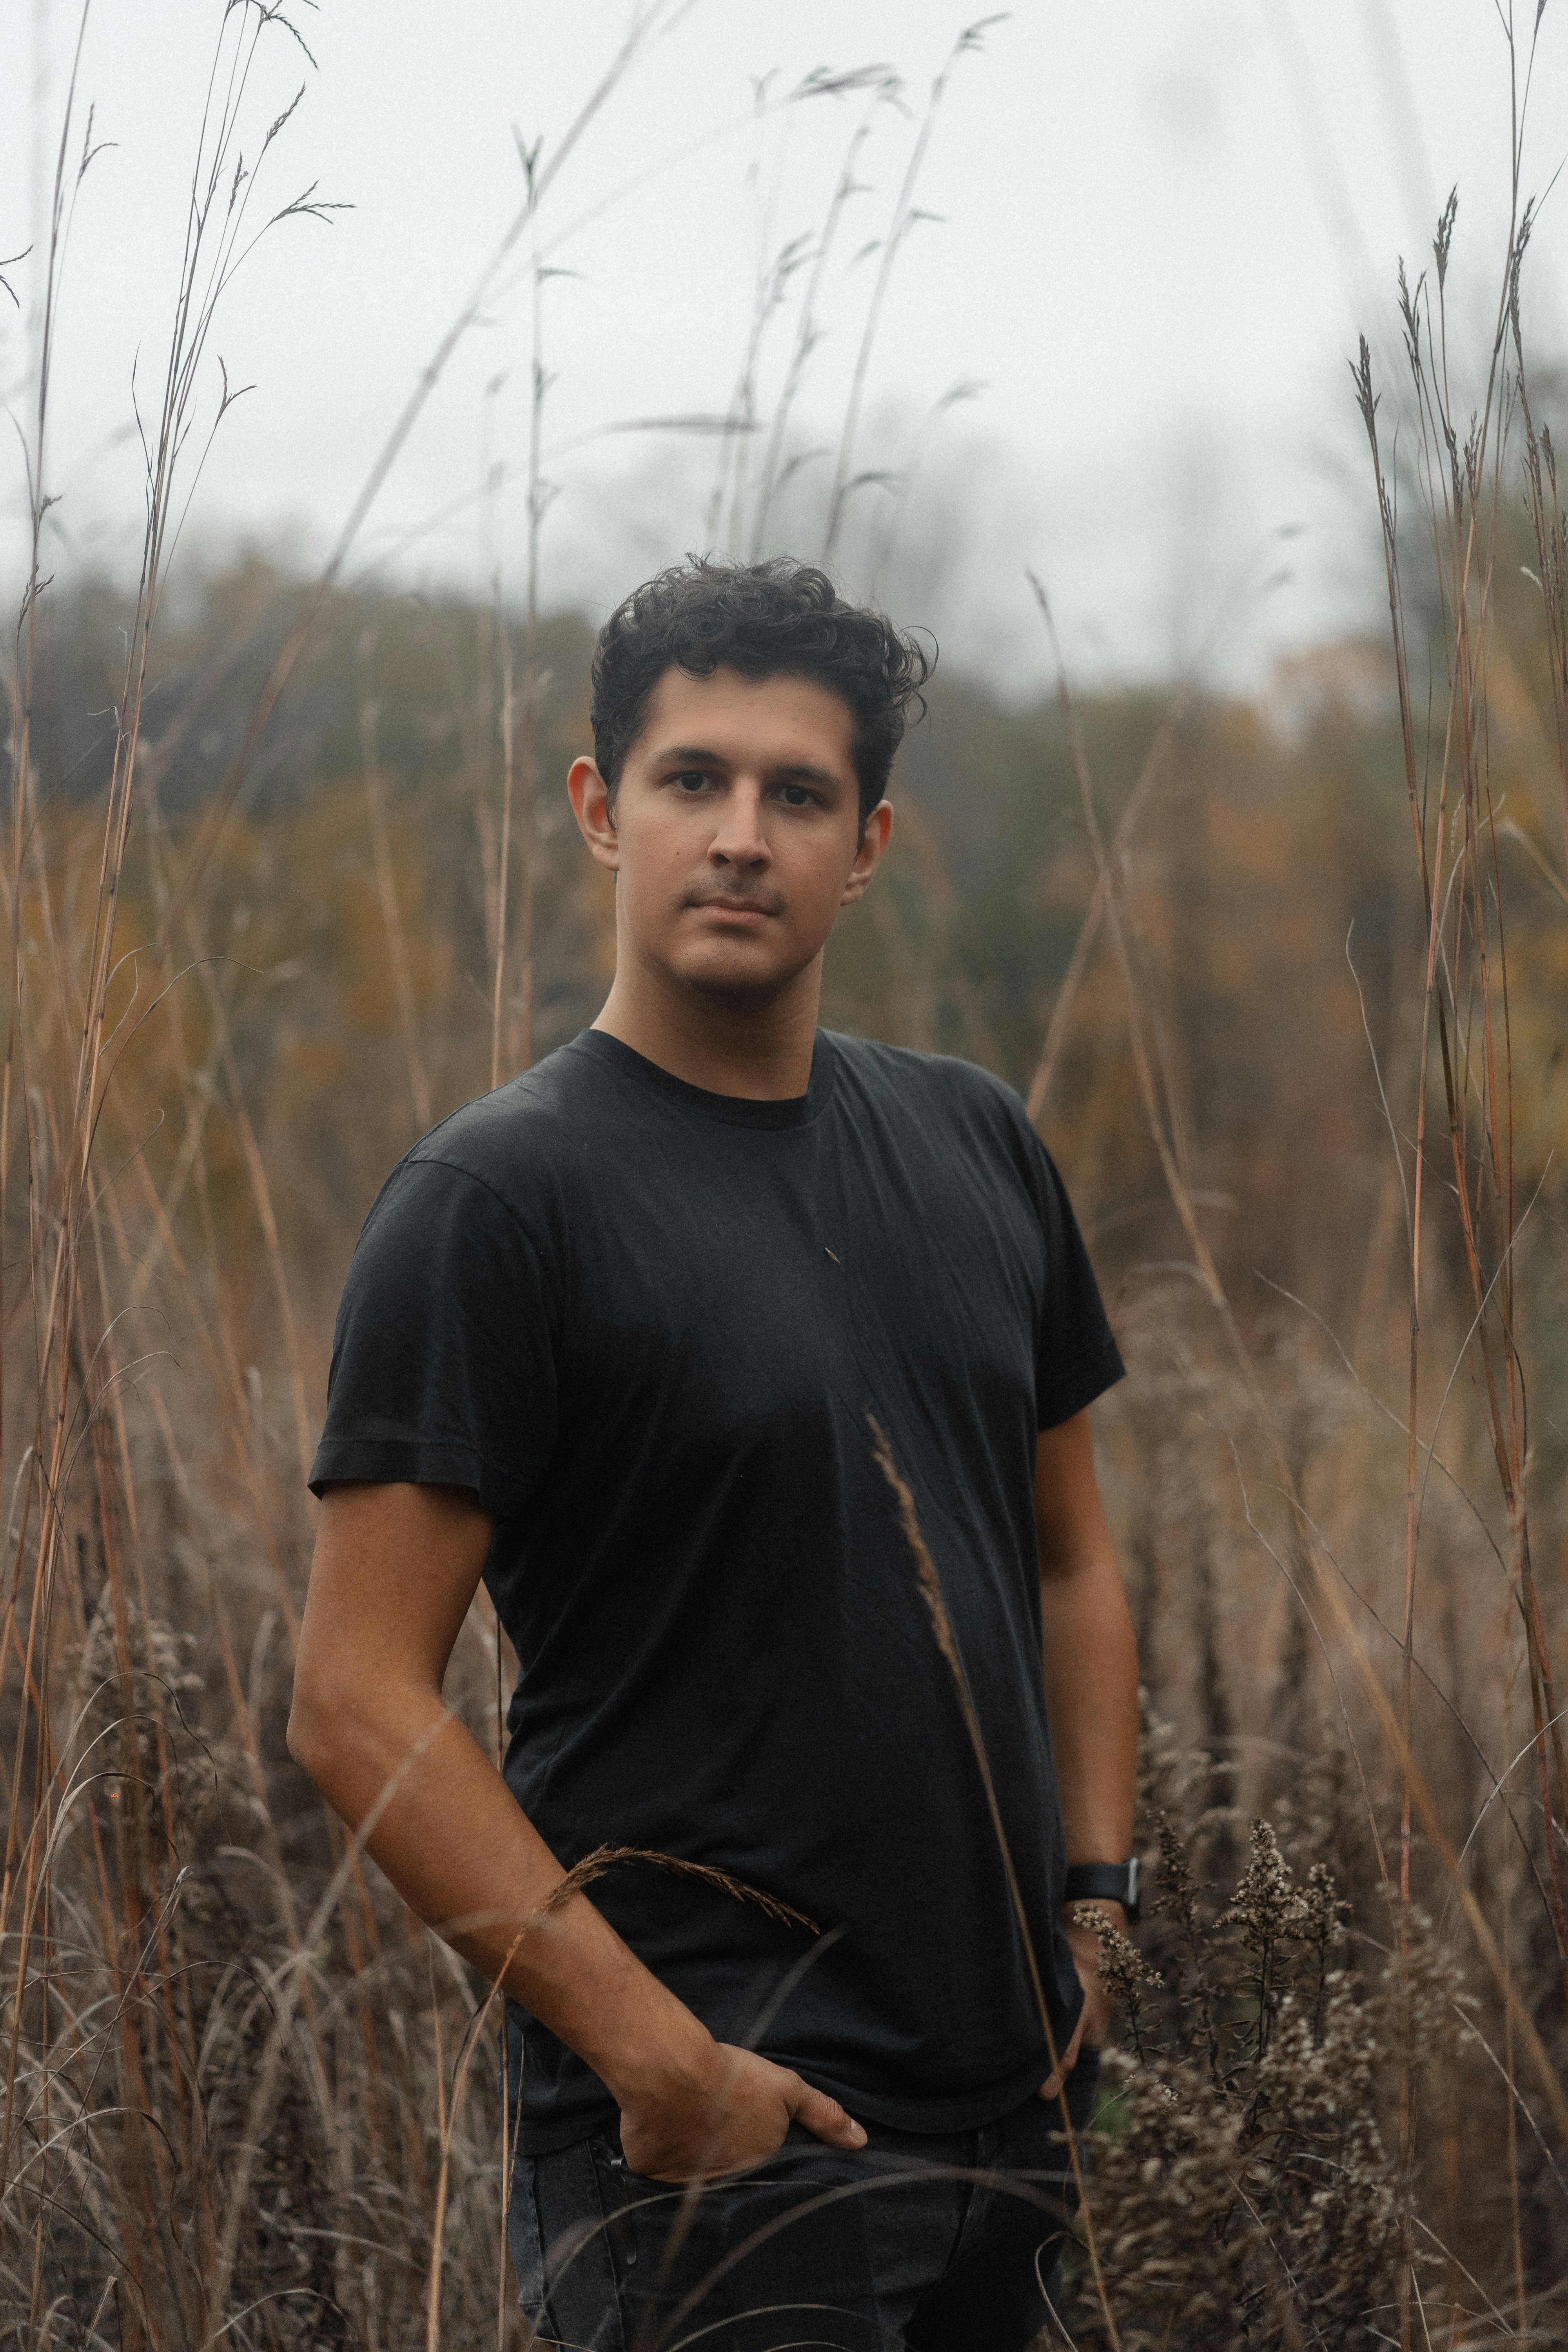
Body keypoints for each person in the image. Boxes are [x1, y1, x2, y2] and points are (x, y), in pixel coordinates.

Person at [289, 557, 1140, 2352]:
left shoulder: (975, 1141)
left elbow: (1068, 1553)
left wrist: (1098, 1897)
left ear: (868, 843)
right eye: (693, 781)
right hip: (723, 2153)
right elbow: (356, 1697)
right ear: (604, 811)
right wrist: (657, 2065)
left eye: (796, 794)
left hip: (1013, 2115)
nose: (740, 835)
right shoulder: (495, 1202)